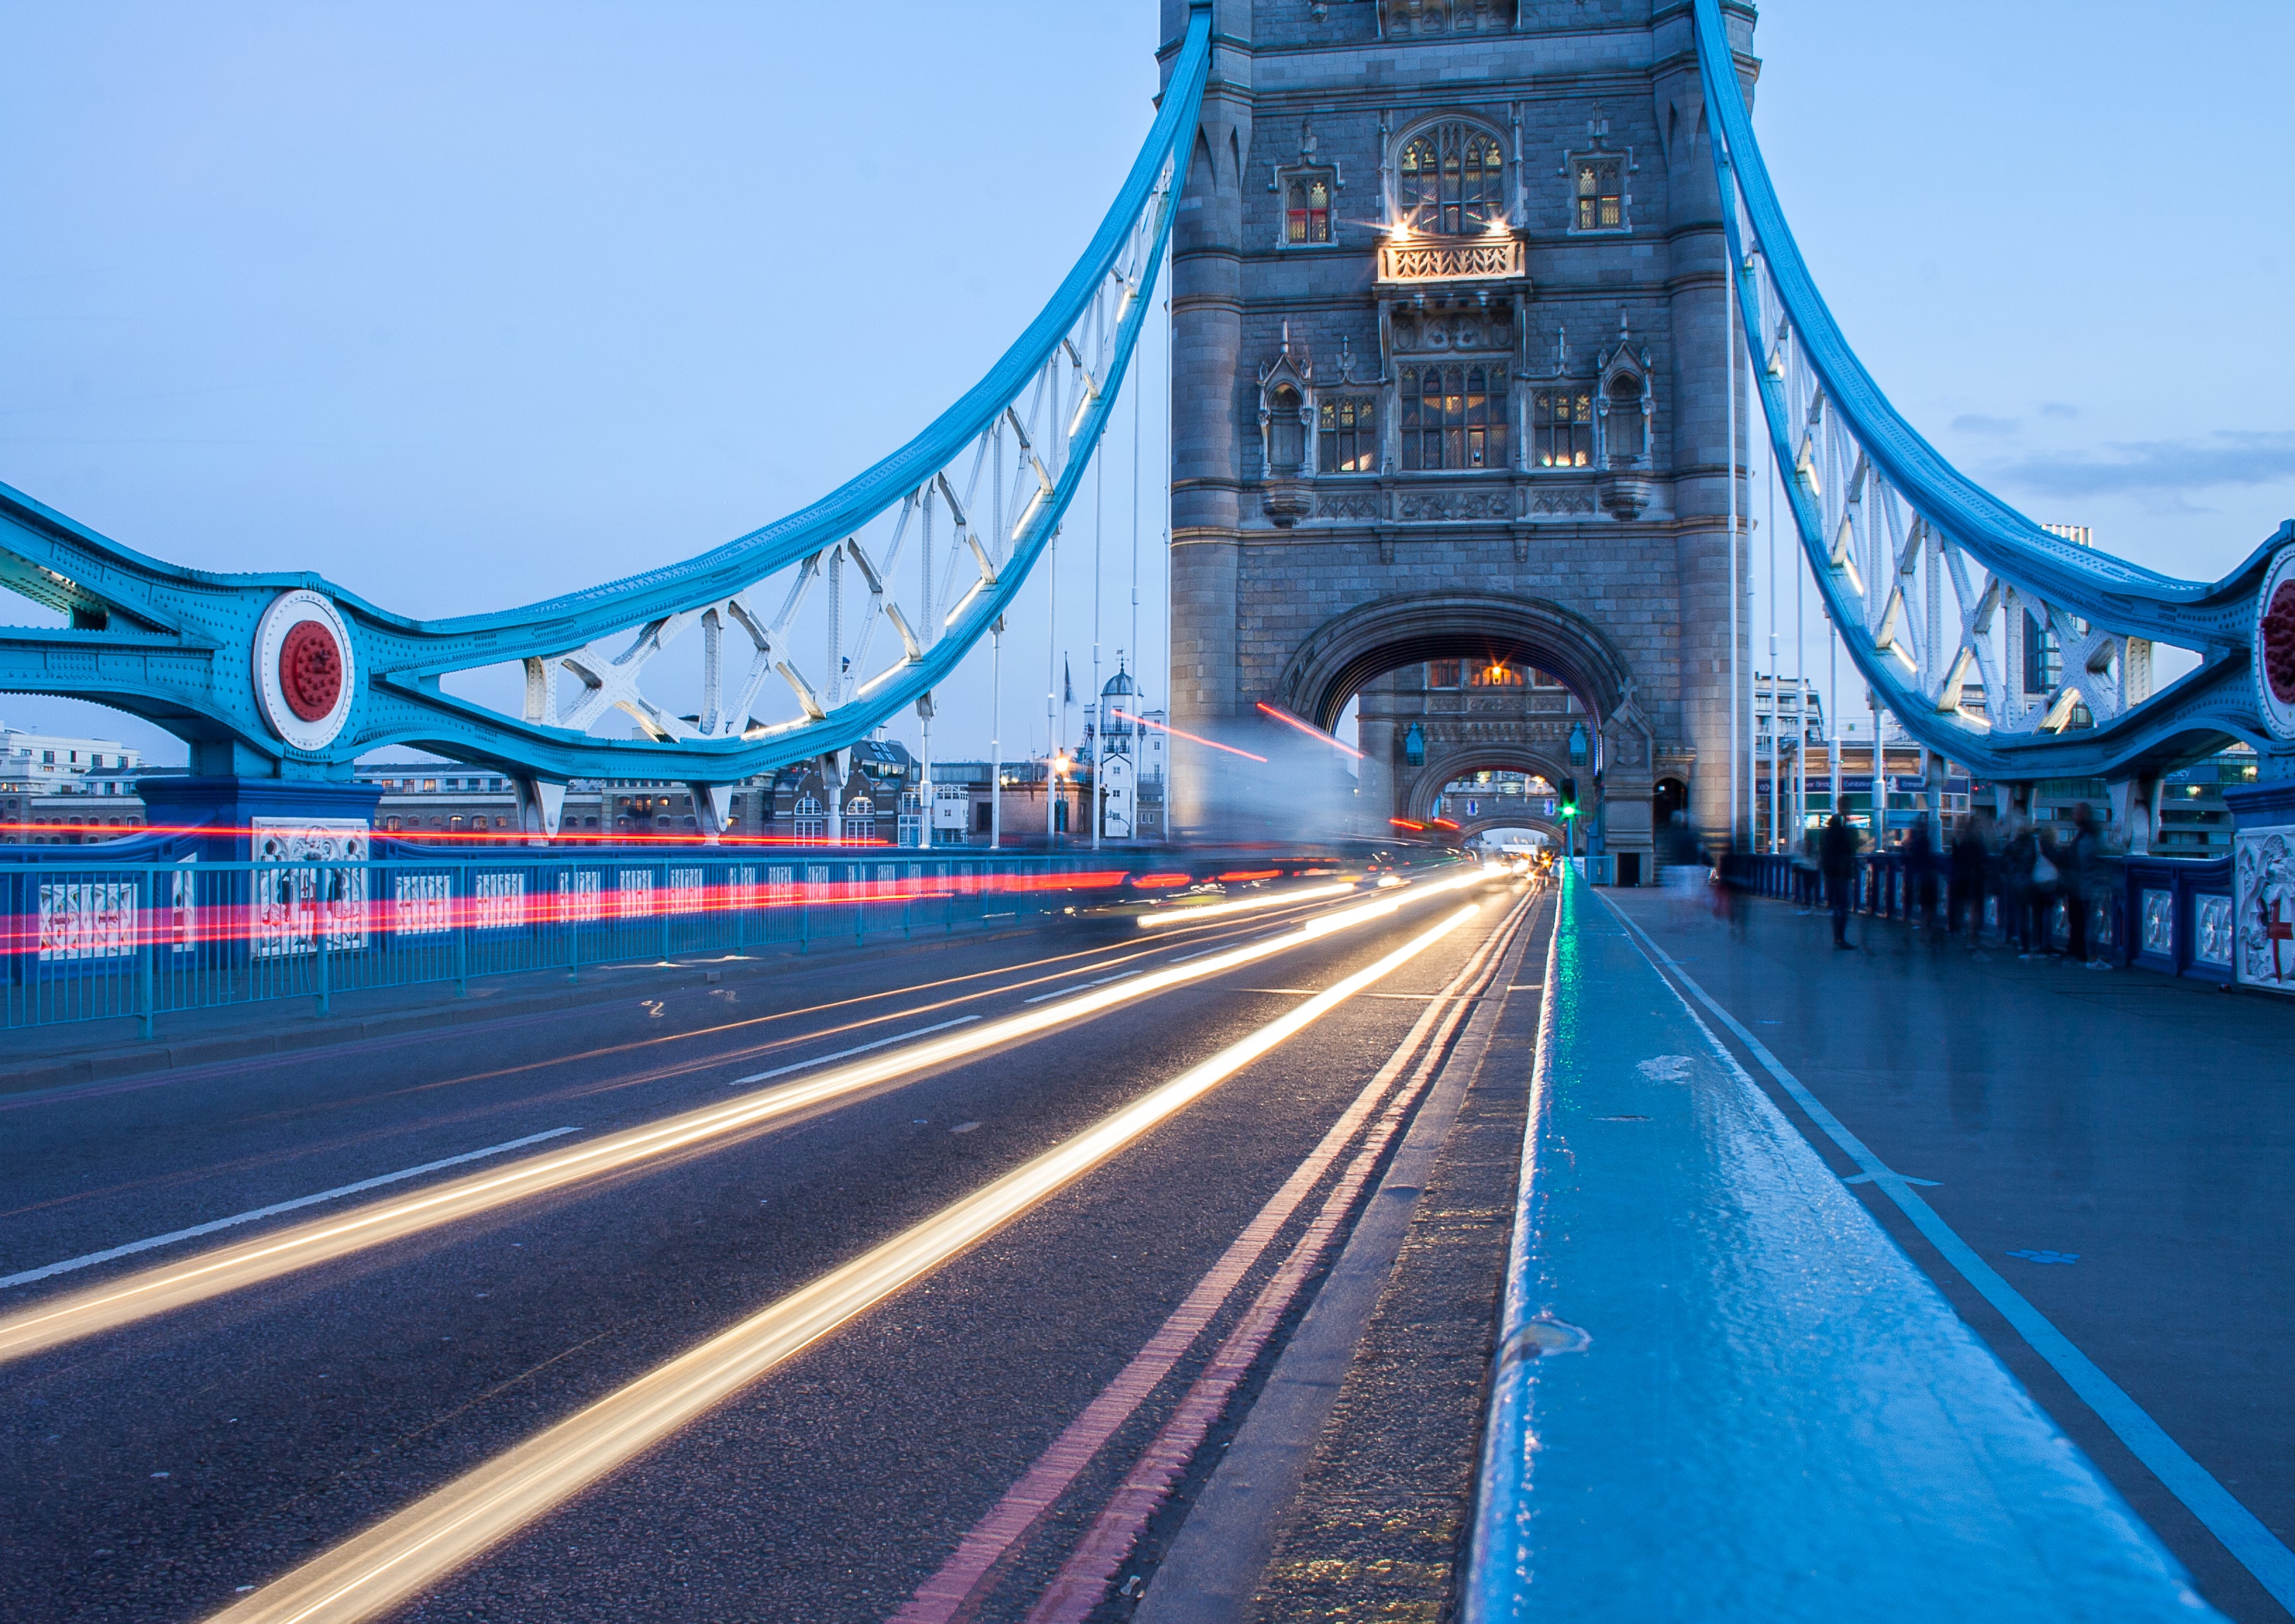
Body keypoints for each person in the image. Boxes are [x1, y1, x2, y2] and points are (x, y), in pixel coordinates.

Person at [1948, 811, 1987, 940]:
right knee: (1973, 907)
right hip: (1973, 878)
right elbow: (1982, 858)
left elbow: (1955, 857)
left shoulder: (1961, 840)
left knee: (1959, 905)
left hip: (1959, 876)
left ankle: (1956, 928)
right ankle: (1972, 933)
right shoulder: (1978, 841)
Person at [1820, 812, 1856, 949]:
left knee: (1835, 905)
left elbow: (1823, 853)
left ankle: (1836, 936)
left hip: (1830, 873)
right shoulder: (1843, 834)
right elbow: (1850, 851)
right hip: (1842, 873)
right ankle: (1841, 937)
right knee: (1844, 905)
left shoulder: (1826, 836)